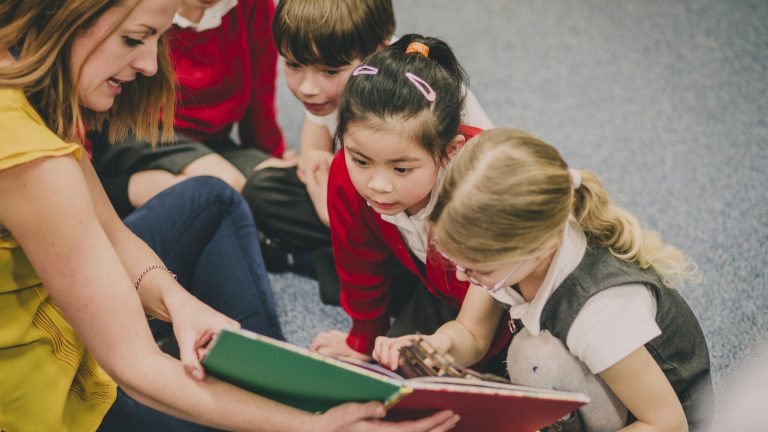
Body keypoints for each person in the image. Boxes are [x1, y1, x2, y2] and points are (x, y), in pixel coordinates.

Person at [0, 1, 460, 430]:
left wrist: (179, 303)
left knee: (213, 198)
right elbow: (134, 367)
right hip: (61, 403)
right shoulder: (33, 162)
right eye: (134, 38)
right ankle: (305, 410)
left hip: (69, 321)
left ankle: (288, 391)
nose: (150, 66)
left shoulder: (25, 90)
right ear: (72, 17)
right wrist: (308, 427)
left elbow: (113, 237)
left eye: (156, 40)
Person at [373, 128, 714, 431]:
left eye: (476, 267)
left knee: (534, 357)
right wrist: (438, 346)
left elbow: (667, 423)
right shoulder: (518, 251)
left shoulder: (599, 311)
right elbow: (471, 333)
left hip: (660, 417)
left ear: (538, 248)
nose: (462, 275)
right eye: (456, 259)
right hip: (597, 381)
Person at [244, 0, 494, 300]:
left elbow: (482, 201)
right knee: (262, 188)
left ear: (377, 53)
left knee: (438, 288)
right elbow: (314, 151)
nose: (308, 88)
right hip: (375, 198)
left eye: (329, 70)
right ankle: (350, 261)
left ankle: (343, 266)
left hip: (432, 221)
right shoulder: (329, 92)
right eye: (294, 65)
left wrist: (338, 212)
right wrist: (323, 185)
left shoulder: (427, 96)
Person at [309, 35, 510, 374]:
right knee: (390, 369)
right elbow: (357, 261)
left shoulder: (487, 184)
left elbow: (477, 331)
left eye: (401, 168)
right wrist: (363, 338)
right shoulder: (345, 172)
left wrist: (448, 349)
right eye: (361, 160)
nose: (378, 184)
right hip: (440, 290)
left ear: (452, 150)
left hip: (508, 302)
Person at [90, 0, 290, 217]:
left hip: (214, 143)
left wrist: (271, 156)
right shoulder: (148, 10)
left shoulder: (253, 6)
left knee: (283, 185)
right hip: (140, 132)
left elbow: (261, 94)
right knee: (225, 187)